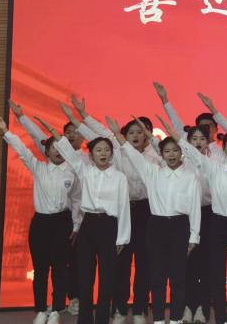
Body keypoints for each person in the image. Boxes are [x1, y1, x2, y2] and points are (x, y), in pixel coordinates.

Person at [110, 117, 201, 324]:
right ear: (161, 154)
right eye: (167, 151)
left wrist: (194, 236)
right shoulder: (152, 172)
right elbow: (133, 154)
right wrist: (118, 135)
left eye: (175, 151)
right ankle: (159, 319)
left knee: (178, 278)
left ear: (181, 153)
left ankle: (175, 319)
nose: (171, 155)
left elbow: (195, 208)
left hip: (181, 227)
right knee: (157, 277)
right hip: (157, 227)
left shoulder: (190, 177)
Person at [0, 116, 79, 324]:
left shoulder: (73, 173)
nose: (57, 151)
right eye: (53, 148)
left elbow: (76, 200)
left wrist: (76, 225)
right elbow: (22, 151)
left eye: (61, 147)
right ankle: (40, 309)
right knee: (40, 269)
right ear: (46, 151)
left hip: (63, 222)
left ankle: (56, 310)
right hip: (41, 224)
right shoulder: (39, 168)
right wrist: (6, 131)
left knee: (60, 269)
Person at [42, 118, 130, 324]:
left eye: (106, 150)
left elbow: (124, 209)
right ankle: (84, 320)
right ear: (90, 155)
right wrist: (53, 130)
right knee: (85, 276)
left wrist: (122, 238)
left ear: (112, 154)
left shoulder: (120, 178)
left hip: (110, 226)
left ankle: (102, 319)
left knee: (107, 276)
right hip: (88, 225)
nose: (103, 153)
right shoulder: (85, 171)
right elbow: (69, 153)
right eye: (98, 150)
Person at [177, 128, 227, 324]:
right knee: (217, 275)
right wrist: (175, 134)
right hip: (218, 224)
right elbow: (192, 152)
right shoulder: (215, 169)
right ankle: (221, 318)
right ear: (224, 148)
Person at [179, 124, 214, 324]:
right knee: (187, 264)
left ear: (208, 142)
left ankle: (202, 307)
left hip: (207, 214)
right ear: (188, 142)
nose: (198, 142)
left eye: (202, 139)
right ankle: (187, 307)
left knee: (205, 264)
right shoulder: (181, 164)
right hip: (185, 217)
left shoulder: (213, 163)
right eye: (194, 139)